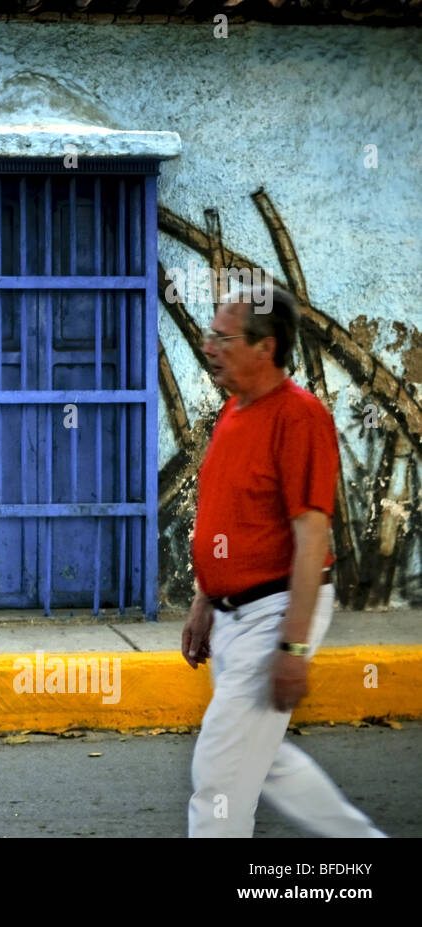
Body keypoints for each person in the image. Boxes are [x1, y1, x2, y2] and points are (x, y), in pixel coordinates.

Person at [181, 288, 385, 837]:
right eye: (211, 335)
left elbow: (311, 536)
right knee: (265, 761)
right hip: (233, 615)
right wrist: (206, 600)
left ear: (264, 347)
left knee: (219, 774)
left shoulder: (299, 418)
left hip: (275, 611)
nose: (209, 347)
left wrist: (292, 647)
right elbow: (230, 517)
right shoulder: (235, 410)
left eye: (223, 338)